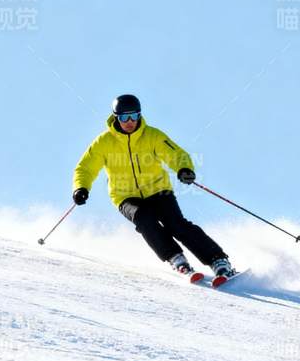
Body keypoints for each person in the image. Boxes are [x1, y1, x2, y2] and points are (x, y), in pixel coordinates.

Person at [71, 94, 234, 280]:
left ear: (140, 115)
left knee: (177, 225)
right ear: (116, 117)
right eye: (124, 117)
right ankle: (176, 259)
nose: (130, 121)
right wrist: (81, 188)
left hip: (158, 190)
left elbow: (175, 154)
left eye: (134, 116)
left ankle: (218, 261)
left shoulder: (152, 135)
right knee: (144, 219)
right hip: (125, 195)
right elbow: (85, 167)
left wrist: (184, 168)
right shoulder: (104, 142)